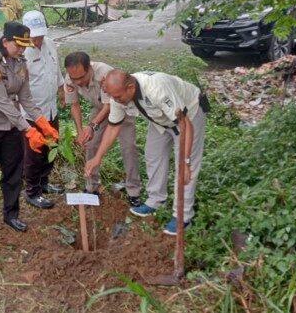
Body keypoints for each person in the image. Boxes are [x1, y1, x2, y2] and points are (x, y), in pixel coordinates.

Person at [85, 69, 206, 235]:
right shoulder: (117, 96)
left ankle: (183, 216)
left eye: (118, 97)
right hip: (160, 119)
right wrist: (97, 158)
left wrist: (186, 162)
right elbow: (113, 127)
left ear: (131, 88)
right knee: (152, 155)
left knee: (184, 168)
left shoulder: (157, 89)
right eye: (113, 97)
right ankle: (156, 201)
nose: (115, 101)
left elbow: (184, 124)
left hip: (188, 117)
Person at [0, 22, 59, 241]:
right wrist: (28, 129)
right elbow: (3, 103)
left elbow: (26, 98)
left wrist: (41, 122)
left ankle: (11, 214)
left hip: (11, 127)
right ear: (5, 41)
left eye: (24, 46)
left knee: (13, 174)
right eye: (18, 45)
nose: (22, 50)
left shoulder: (20, 63)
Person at [63, 52, 141, 206]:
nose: (78, 82)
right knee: (90, 145)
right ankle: (92, 186)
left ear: (89, 68)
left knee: (128, 147)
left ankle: (134, 191)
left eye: (81, 78)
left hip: (121, 107)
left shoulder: (104, 74)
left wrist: (92, 126)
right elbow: (74, 105)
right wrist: (81, 132)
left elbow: (109, 105)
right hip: (99, 110)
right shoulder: (70, 78)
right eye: (74, 79)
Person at [21, 10, 65, 210]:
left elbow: (54, 70)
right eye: (33, 36)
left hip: (50, 108)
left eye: (39, 34)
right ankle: (32, 191)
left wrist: (62, 88)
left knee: (51, 145)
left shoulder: (50, 44)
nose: (37, 39)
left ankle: (44, 182)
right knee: (34, 152)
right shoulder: (21, 52)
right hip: (32, 113)